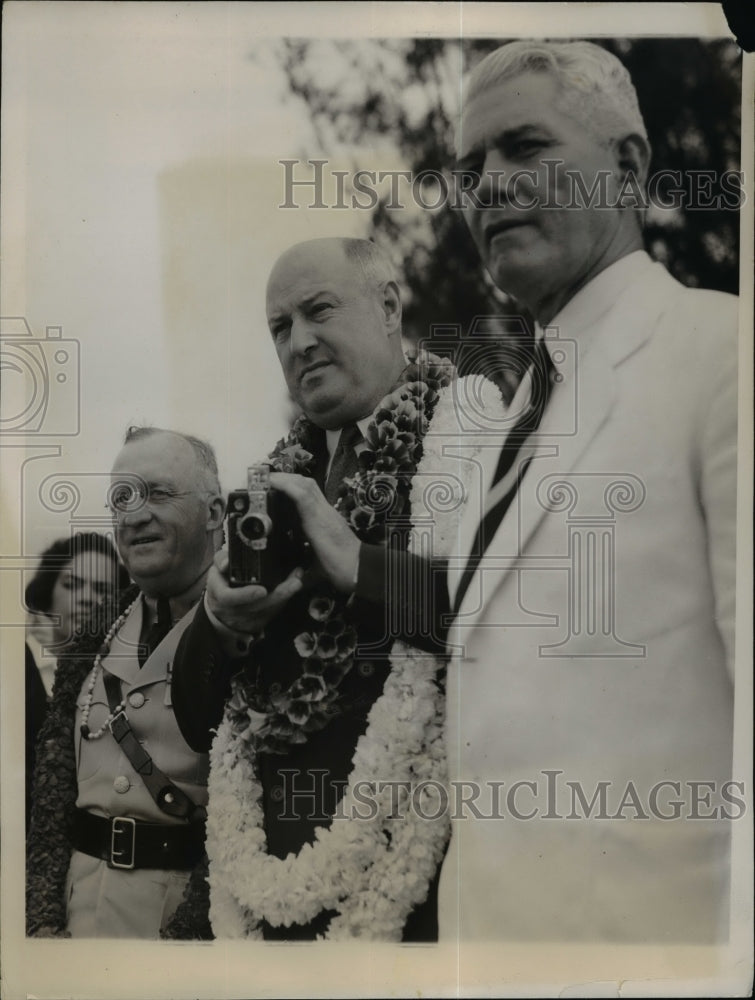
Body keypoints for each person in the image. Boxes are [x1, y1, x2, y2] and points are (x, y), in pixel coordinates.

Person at [437, 40, 737, 943]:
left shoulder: (724, 355)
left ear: (628, 166)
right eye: (470, 168)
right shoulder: (505, 425)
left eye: (524, 148)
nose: (486, 185)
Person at [171, 237, 458, 941]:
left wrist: (357, 563)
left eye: (318, 311)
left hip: (414, 893)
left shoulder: (473, 433)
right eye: (279, 327)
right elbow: (195, 717)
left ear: (389, 305)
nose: (299, 342)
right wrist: (219, 622)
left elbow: (513, 619)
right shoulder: (268, 495)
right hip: (263, 890)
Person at [26, 427, 225, 938]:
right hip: (75, 926)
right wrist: (43, 923)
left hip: (180, 940)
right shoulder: (94, 636)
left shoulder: (250, 630)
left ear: (215, 514)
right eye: (123, 498)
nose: (136, 516)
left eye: (159, 493)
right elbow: (52, 803)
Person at [24, 532, 129, 828]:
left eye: (102, 590)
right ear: (48, 592)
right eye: (72, 585)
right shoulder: (15, 663)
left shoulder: (119, 679)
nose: (86, 598)